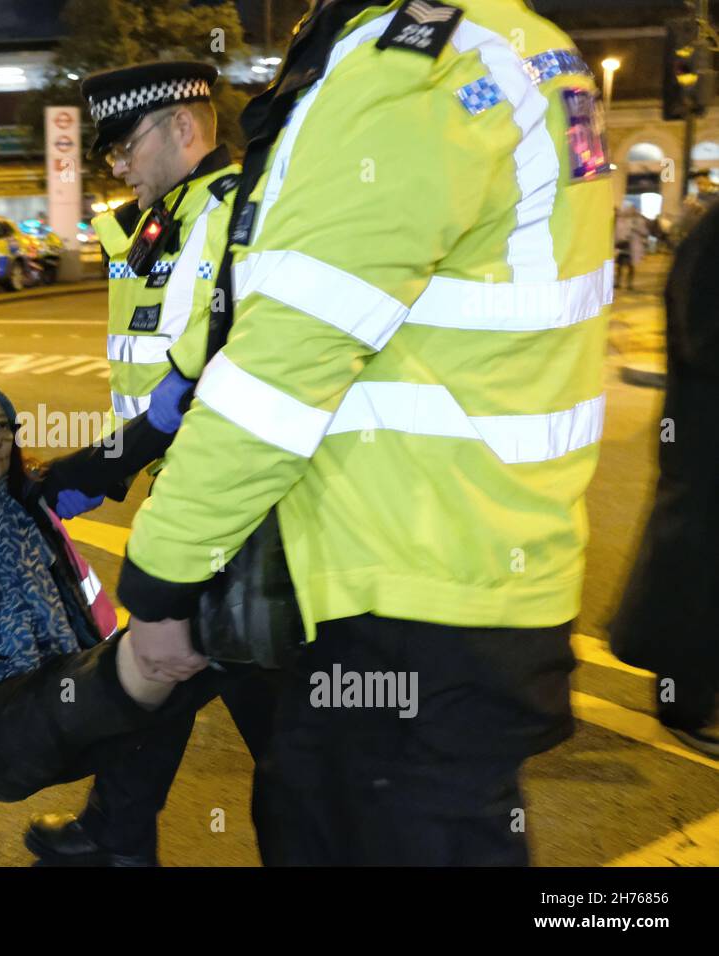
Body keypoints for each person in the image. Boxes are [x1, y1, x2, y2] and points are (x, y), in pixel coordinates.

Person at [114, 0, 614, 865]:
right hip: (462, 573)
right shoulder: (515, 45)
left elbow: (289, 352)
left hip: (403, 592)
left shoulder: (409, 69)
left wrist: (163, 576)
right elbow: (264, 304)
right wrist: (109, 456)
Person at [25, 62, 277, 867]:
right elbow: (147, 376)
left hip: (246, 504)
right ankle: (119, 833)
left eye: (126, 146)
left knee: (263, 715)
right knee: (161, 671)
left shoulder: (238, 214)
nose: (118, 166)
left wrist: (103, 465)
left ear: (182, 127)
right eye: (107, 155)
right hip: (193, 497)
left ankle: (123, 836)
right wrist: (110, 462)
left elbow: (207, 372)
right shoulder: (153, 225)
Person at [0, 378, 216, 803]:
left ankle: (118, 837)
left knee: (191, 667)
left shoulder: (31, 494)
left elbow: (100, 465)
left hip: (56, 690)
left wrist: (163, 419)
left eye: (2, 426)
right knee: (144, 666)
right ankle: (138, 663)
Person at [611, 197, 719, 757]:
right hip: (703, 436)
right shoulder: (712, 232)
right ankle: (682, 702)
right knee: (690, 564)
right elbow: (701, 336)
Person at [614, 200, 648, 291]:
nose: (630, 211)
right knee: (620, 265)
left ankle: (629, 284)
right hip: (623, 245)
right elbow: (617, 232)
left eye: (632, 209)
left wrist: (636, 229)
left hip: (632, 246)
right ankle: (618, 282)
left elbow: (645, 232)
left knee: (630, 266)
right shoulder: (622, 220)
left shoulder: (639, 220)